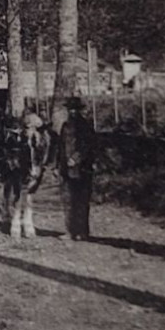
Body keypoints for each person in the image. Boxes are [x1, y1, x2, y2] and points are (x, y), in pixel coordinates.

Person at [56, 96, 97, 241]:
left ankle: (83, 232)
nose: (72, 112)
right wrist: (57, 165)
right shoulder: (65, 126)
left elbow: (87, 146)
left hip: (82, 169)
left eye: (75, 109)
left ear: (79, 110)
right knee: (68, 200)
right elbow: (59, 148)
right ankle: (70, 231)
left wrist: (76, 158)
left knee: (81, 201)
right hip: (65, 170)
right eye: (70, 109)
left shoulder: (85, 126)